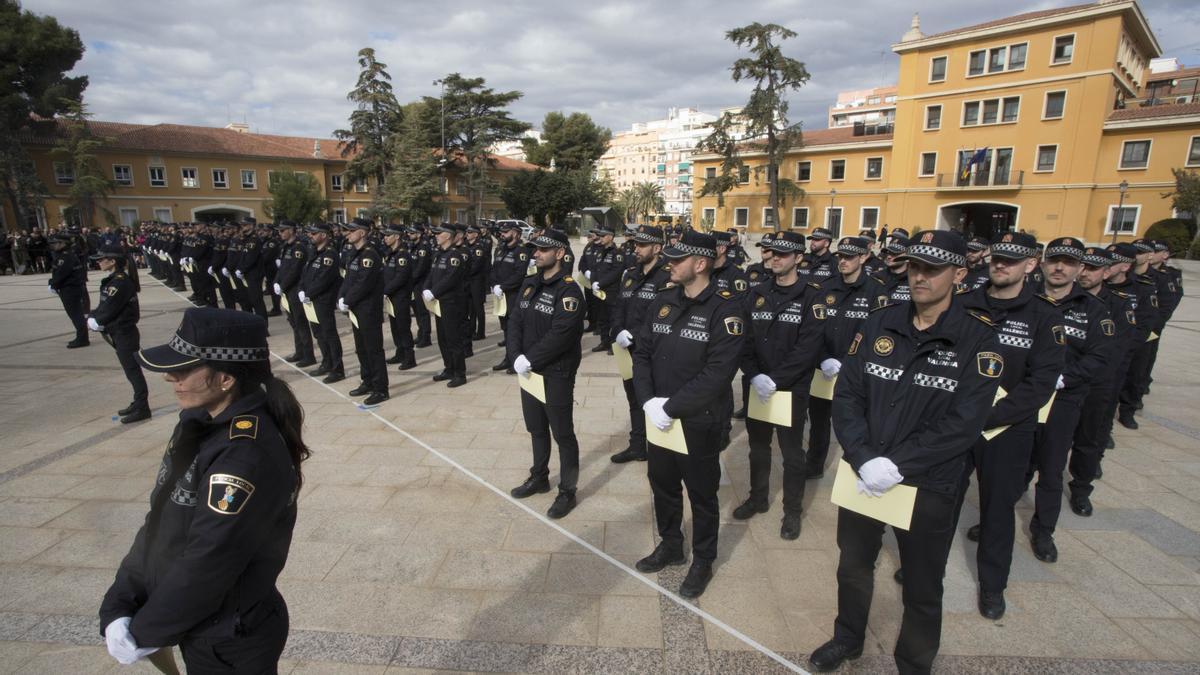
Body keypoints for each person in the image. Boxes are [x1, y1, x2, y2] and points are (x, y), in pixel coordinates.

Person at [809, 230, 1003, 674]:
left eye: (932, 269)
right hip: (866, 471)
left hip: (928, 481)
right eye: (915, 267)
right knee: (853, 565)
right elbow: (848, 396)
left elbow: (964, 423)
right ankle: (847, 638)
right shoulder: (880, 321)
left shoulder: (978, 339)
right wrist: (863, 457)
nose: (920, 277)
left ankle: (913, 663)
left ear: (959, 274)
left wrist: (898, 464)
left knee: (922, 582)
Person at [99, 307, 308, 674]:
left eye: (184, 369)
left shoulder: (244, 455)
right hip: (201, 620)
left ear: (225, 379)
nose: (171, 377)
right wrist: (121, 601)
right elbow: (161, 521)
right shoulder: (199, 424)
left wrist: (147, 631)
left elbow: (211, 558)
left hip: (229, 636)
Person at [632, 229, 746, 600]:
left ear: (700, 264)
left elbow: (717, 374)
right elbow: (642, 353)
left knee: (702, 494)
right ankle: (671, 544)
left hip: (698, 421)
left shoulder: (726, 309)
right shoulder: (664, 300)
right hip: (659, 417)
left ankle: (703, 559)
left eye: (677, 260)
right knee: (662, 484)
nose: (670, 264)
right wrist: (648, 401)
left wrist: (670, 407)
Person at [954, 231, 1062, 620]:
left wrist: (990, 415)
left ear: (1031, 265)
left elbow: (1041, 383)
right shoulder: (962, 303)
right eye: (997, 257)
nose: (1000, 265)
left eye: (1012, 260)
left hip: (1007, 428)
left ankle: (992, 585)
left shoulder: (1044, 315)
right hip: (956, 423)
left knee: (997, 511)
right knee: (941, 502)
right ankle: (924, 564)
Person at [734, 231, 826, 540]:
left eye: (783, 254)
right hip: (758, 385)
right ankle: (758, 497)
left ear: (798, 258)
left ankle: (792, 511)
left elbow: (808, 348)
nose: (775, 258)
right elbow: (744, 339)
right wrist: (754, 374)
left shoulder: (812, 296)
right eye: (772, 252)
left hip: (790, 389)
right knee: (758, 448)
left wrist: (776, 379)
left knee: (792, 454)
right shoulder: (757, 292)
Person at [1024, 237, 1109, 563]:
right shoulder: (1025, 299)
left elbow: (1100, 357)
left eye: (1069, 262)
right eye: (1055, 260)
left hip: (1063, 399)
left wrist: (1063, 378)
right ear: (1043, 263)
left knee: (1051, 468)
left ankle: (1043, 530)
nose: (1060, 267)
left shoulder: (1093, 309)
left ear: (1080, 268)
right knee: (1013, 463)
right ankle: (996, 516)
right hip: (1023, 395)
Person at [507, 228, 586, 518]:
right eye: (535, 249)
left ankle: (567, 491)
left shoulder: (569, 291)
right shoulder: (530, 283)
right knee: (536, 428)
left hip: (556, 372)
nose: (536, 253)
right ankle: (539, 476)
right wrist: (515, 356)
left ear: (560, 253)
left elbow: (561, 334)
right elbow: (515, 321)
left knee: (563, 434)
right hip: (529, 370)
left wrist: (530, 358)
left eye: (542, 249)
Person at [806, 236, 888, 480]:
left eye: (849, 257)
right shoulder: (825, 287)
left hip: (855, 372)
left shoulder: (876, 291)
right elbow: (814, 328)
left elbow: (877, 336)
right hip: (824, 369)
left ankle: (857, 469)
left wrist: (851, 363)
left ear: (864, 257)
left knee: (854, 423)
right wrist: (823, 358)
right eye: (841, 256)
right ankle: (814, 464)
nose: (843, 261)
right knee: (819, 421)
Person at [1067, 246, 1134, 515]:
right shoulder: (1065, 298)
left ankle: (1081, 488)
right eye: (1082, 267)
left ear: (1106, 272)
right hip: (1062, 381)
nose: (1085, 273)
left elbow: (1115, 350)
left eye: (1092, 269)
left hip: (1096, 383)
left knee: (1088, 439)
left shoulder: (1118, 304)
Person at [609, 225, 671, 463]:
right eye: (636, 244)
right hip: (627, 350)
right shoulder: (630, 274)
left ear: (657, 248)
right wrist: (617, 330)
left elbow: (664, 317)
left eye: (643, 245)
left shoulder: (667, 276)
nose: (637, 248)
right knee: (634, 398)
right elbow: (618, 307)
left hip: (653, 352)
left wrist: (634, 333)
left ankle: (658, 449)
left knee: (653, 400)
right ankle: (637, 445)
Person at [87, 244, 151, 424]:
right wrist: (92, 316)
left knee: (133, 371)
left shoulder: (120, 282)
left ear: (112, 261)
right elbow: (104, 305)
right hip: (119, 332)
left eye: (102, 259)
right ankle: (138, 402)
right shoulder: (115, 280)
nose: (99, 262)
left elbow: (110, 308)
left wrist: (98, 320)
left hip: (124, 332)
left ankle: (142, 407)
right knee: (130, 370)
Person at [338, 219, 389, 405]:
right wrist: (342, 296)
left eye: (352, 231)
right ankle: (367, 381)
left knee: (373, 350)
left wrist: (348, 300)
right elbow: (348, 279)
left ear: (362, 233)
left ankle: (380, 389)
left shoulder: (370, 255)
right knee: (361, 348)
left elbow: (363, 283)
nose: (348, 234)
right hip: (356, 308)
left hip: (368, 309)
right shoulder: (354, 253)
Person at [423, 223, 469, 387]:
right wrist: (426, 288)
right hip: (439, 303)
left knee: (453, 339)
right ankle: (449, 368)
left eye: (439, 233)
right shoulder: (438, 254)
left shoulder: (455, 255)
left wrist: (434, 292)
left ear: (448, 236)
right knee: (442, 338)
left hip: (451, 302)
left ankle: (460, 374)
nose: (436, 236)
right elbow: (431, 274)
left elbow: (451, 278)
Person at [299, 223, 344, 383]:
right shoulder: (314, 252)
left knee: (329, 334)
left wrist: (308, 293)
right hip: (311, 300)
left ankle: (337, 369)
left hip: (323, 300)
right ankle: (326, 362)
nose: (310, 236)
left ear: (323, 235)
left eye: (314, 233)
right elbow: (305, 274)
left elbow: (323, 279)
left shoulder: (330, 254)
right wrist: (301, 289)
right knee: (318, 333)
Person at [490, 222, 529, 372]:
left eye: (506, 232)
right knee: (506, 328)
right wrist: (494, 285)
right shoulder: (501, 249)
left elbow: (519, 274)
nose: (502, 234)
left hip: (513, 295)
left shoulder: (521, 251)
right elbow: (494, 269)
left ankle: (516, 360)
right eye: (502, 232)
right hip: (500, 296)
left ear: (516, 233)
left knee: (515, 329)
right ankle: (508, 358)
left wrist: (504, 286)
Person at [382, 225, 417, 371]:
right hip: (391, 296)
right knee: (395, 326)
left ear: (397, 237)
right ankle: (400, 352)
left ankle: (409, 357)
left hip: (400, 296)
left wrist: (385, 290)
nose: (385, 238)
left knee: (403, 327)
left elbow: (401, 277)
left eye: (388, 235)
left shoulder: (402, 255)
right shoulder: (390, 253)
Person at [48, 232, 90, 348]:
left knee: (76, 314)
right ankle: (82, 337)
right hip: (70, 288)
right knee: (76, 314)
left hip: (70, 289)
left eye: (56, 243)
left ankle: (82, 339)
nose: (53, 245)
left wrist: (52, 284)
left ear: (63, 243)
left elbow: (61, 274)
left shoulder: (65, 257)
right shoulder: (66, 255)